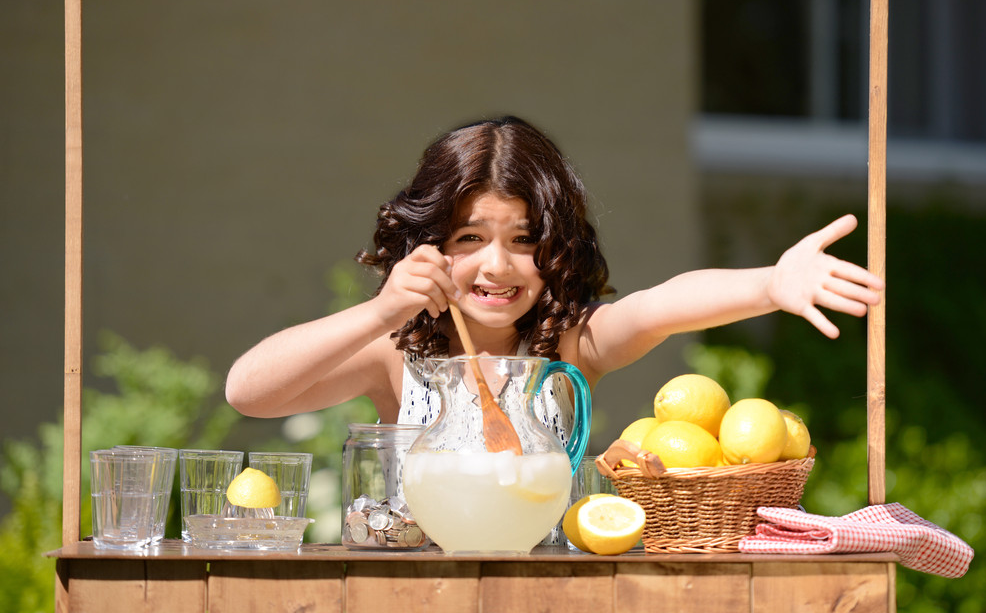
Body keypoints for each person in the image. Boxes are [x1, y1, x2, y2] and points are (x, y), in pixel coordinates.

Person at [225, 116, 884, 432]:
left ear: (554, 250)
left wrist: (768, 284)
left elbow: (658, 306)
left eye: (523, 240)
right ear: (429, 246)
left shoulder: (566, 347)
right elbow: (248, 392)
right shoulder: (397, 355)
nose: (496, 264)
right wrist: (379, 312)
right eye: (468, 238)